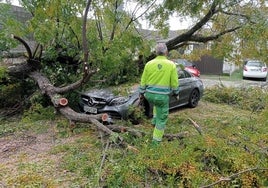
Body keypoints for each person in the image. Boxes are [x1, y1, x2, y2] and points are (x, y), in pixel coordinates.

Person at [139, 43, 179, 146]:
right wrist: (176, 93)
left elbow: (143, 80)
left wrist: (141, 92)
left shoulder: (149, 64)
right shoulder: (171, 65)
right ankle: (155, 143)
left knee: (157, 105)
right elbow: (174, 82)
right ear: (166, 52)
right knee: (162, 118)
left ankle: (153, 121)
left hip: (150, 96)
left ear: (156, 52)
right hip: (162, 97)